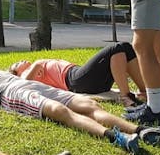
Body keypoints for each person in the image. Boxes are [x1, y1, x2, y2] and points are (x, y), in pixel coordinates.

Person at [0, 68, 160, 153]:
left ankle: (142, 131)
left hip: (26, 84)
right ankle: (114, 137)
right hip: (10, 94)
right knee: (57, 110)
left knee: (87, 104)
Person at [9, 42, 147, 107]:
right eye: (17, 64)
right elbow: (23, 83)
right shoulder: (26, 74)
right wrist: (36, 64)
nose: (21, 61)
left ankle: (144, 91)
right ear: (17, 72)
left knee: (125, 49)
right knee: (117, 48)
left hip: (83, 77)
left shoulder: (33, 68)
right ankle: (126, 97)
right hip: (74, 81)